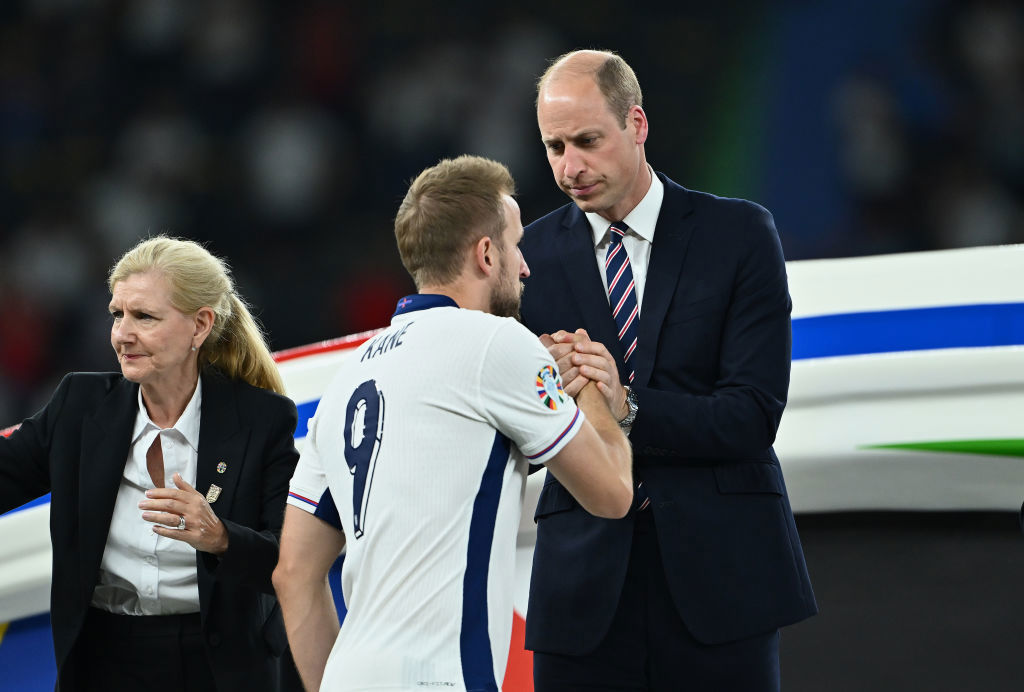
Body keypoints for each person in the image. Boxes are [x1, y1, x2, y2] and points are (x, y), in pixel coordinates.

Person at [272, 154, 633, 692]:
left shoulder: (344, 382)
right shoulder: (497, 343)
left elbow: (293, 573)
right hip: (440, 679)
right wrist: (589, 386)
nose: (526, 265)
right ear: (486, 254)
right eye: (516, 245)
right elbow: (612, 493)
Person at [520, 49, 818, 691]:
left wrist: (625, 406)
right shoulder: (528, 259)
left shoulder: (738, 234)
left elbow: (752, 414)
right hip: (583, 593)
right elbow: (511, 422)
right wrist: (537, 388)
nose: (570, 167)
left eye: (588, 141)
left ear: (637, 124)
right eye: (554, 147)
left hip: (722, 582)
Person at [0, 236, 302, 691]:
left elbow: (291, 560)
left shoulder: (262, 419)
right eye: (117, 314)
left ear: (200, 326)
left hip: (220, 666)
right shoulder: (78, 405)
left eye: (144, 316)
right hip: (105, 662)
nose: (123, 334)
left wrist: (220, 538)